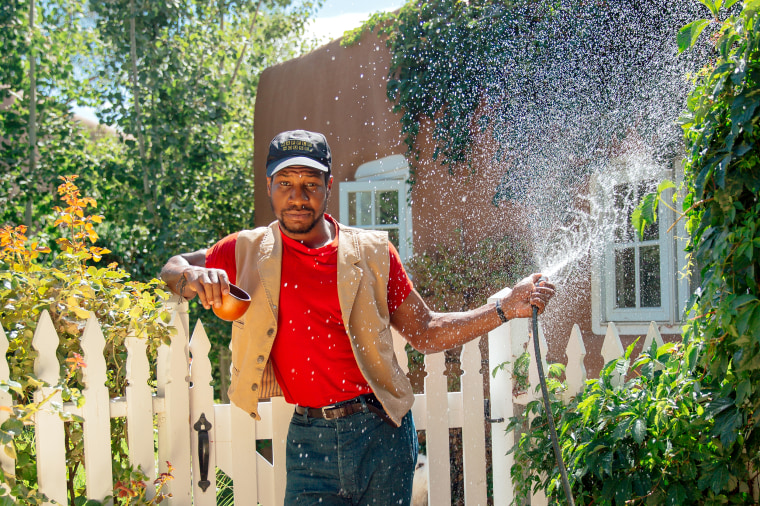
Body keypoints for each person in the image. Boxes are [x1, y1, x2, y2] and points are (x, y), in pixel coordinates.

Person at [160, 129, 555, 505]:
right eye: (285, 184)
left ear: (328, 186)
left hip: (380, 433)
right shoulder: (245, 249)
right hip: (307, 438)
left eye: (310, 184)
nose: (297, 197)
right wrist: (192, 276)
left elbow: (425, 330)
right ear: (269, 187)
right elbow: (172, 267)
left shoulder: (372, 252)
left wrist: (503, 309)